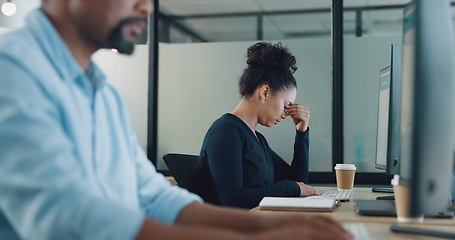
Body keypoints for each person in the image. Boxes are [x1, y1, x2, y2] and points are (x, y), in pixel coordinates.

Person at [0, 0, 352, 240]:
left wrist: (268, 227)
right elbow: (69, 216)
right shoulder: (12, 70)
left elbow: (154, 197)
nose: (147, 6)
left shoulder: (101, 93)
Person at [198, 42, 318, 209]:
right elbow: (233, 200)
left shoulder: (258, 139)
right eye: (286, 105)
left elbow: (298, 184)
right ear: (265, 92)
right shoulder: (226, 131)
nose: (285, 114)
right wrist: (291, 188)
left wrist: (302, 132)